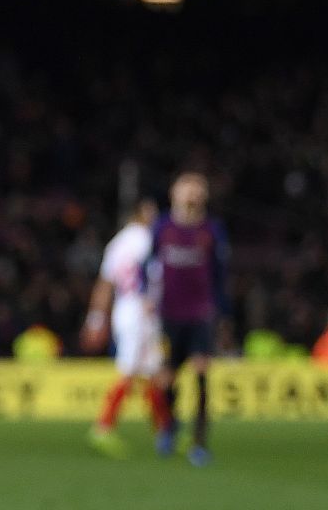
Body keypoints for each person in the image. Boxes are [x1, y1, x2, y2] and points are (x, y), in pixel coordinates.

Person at [82, 198, 175, 456]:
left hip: (124, 308)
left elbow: (105, 283)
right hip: (142, 309)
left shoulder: (116, 243)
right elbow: (156, 277)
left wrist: (96, 320)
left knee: (152, 370)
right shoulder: (147, 239)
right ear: (141, 213)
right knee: (132, 369)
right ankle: (103, 428)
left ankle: (166, 432)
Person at [152, 172, 228, 464]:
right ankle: (170, 426)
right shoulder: (163, 228)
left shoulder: (212, 230)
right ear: (174, 193)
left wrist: (222, 314)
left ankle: (199, 442)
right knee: (167, 378)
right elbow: (150, 265)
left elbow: (221, 274)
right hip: (169, 314)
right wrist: (148, 299)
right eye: (187, 188)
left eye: (198, 189)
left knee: (200, 371)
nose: (192, 194)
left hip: (201, 313)